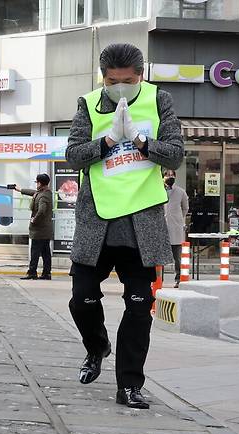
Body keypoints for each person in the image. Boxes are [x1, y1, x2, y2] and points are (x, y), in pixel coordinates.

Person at [66, 43, 183, 409]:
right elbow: (73, 154)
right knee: (82, 299)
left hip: (142, 223)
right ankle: (97, 345)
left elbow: (177, 152)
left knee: (139, 307)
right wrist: (108, 141)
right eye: (112, 81)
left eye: (127, 81)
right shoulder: (87, 103)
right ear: (103, 77)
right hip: (96, 222)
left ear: (141, 75)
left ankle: (130, 384)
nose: (120, 88)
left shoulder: (159, 100)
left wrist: (140, 140)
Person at [12, 174, 53, 280]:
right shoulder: (45, 192)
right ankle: (46, 273)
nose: (36, 184)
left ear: (40, 183)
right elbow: (33, 193)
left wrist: (34, 219)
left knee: (35, 252)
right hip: (45, 230)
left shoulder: (43, 196)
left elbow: (42, 210)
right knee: (45, 252)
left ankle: (32, 272)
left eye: (37, 182)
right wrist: (20, 190)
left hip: (39, 230)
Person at [163, 169, 188, 288]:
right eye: (167, 175)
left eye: (172, 175)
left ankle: (178, 279)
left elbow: (185, 208)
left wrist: (179, 219)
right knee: (160, 256)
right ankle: (158, 279)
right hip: (162, 227)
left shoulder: (181, 192)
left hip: (175, 227)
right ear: (163, 177)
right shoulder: (158, 190)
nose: (170, 177)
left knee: (177, 257)